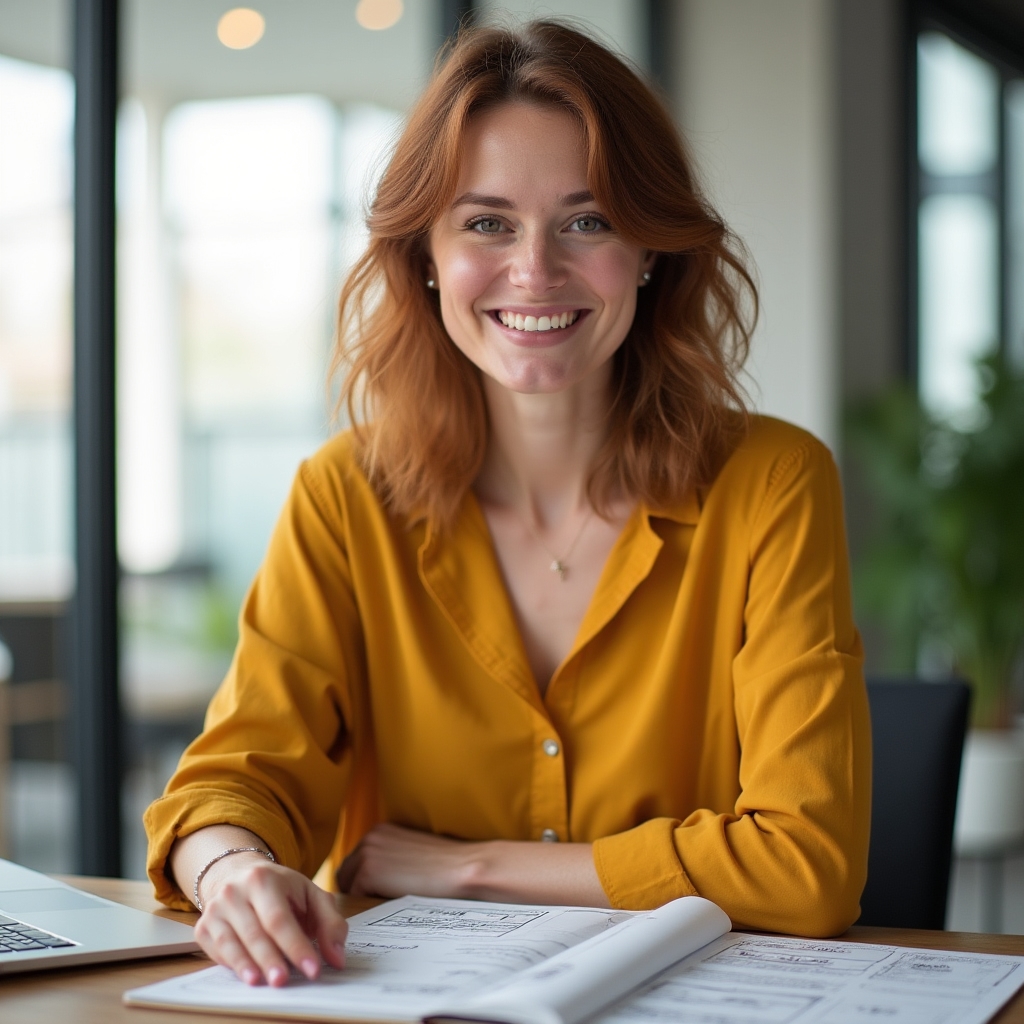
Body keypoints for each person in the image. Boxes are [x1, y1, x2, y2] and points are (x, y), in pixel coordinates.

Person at [145, 19, 871, 989]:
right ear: (427, 254)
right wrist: (234, 870)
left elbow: (808, 865)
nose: (536, 270)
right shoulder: (344, 493)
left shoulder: (773, 483)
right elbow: (231, 784)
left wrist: (466, 866)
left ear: (651, 248)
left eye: (588, 220)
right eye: (487, 222)